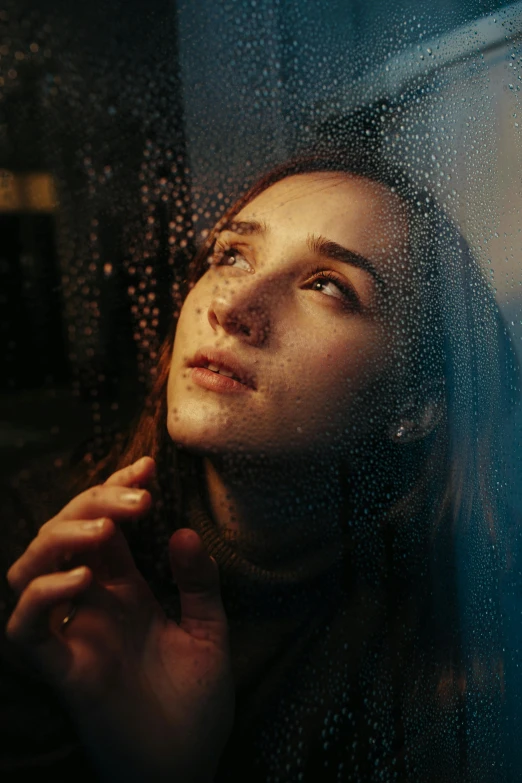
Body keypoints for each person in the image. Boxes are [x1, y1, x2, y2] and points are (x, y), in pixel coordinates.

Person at [1, 136, 519, 782]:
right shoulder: (44, 549)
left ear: (414, 403)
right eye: (232, 256)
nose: (232, 307)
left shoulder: (451, 675)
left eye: (328, 285)